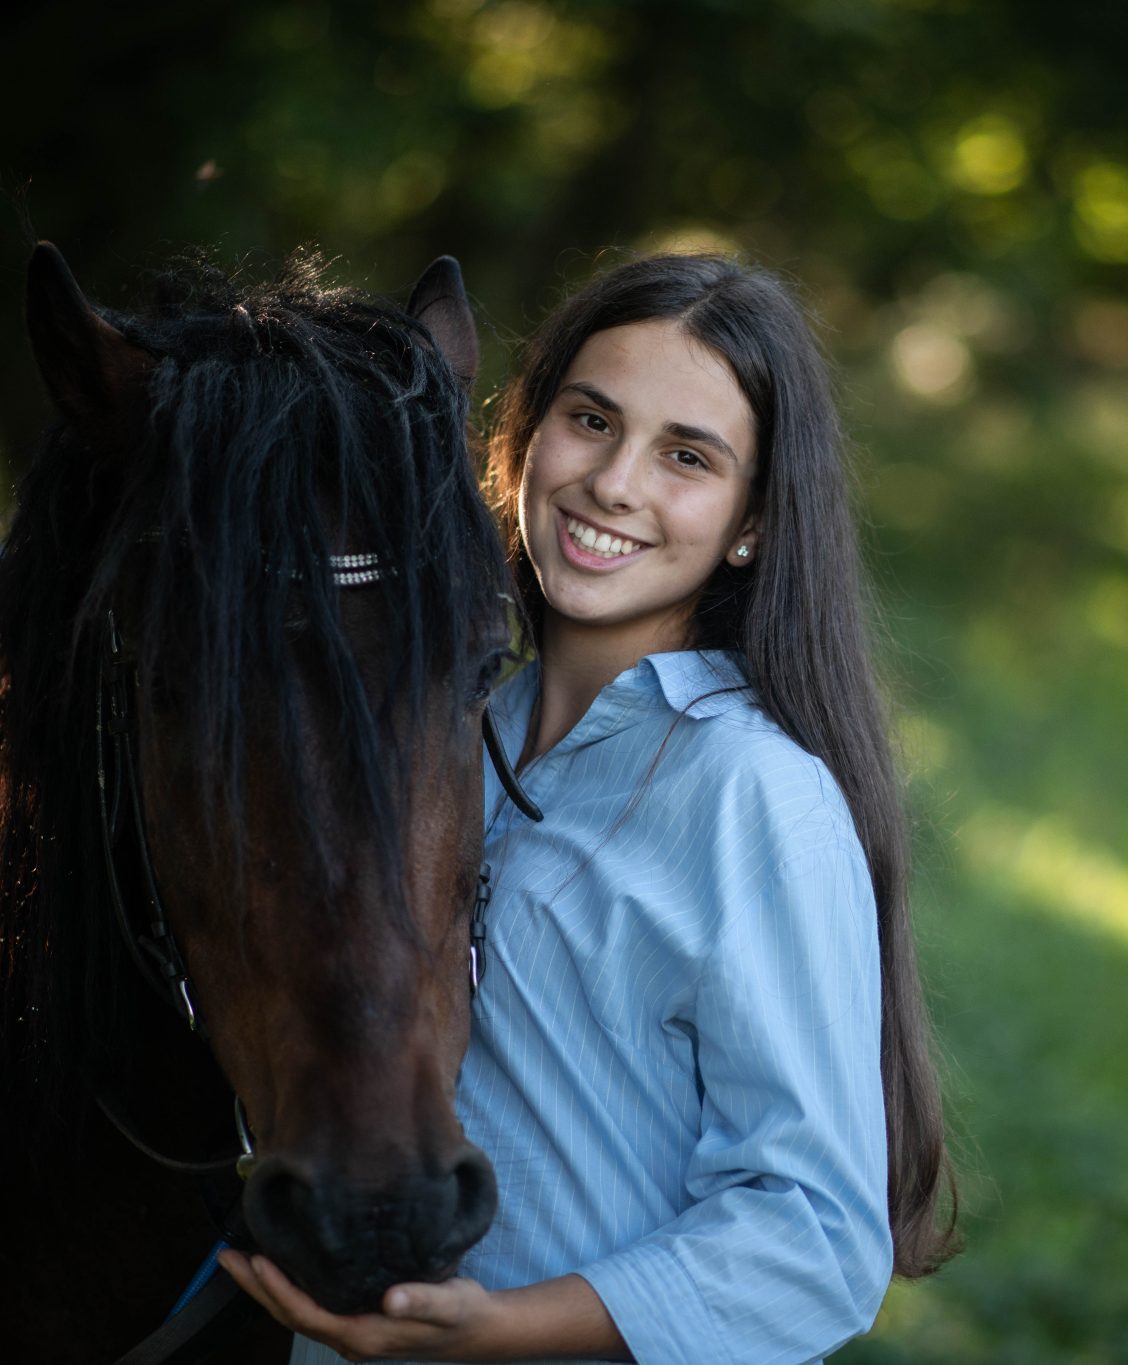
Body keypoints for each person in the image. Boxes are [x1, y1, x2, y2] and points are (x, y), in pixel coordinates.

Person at [224, 253, 958, 1363]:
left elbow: (814, 1240)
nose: (615, 484)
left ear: (750, 523)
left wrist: (498, 1332)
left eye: (686, 457)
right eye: (590, 419)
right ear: (520, 439)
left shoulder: (750, 794)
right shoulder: (420, 747)